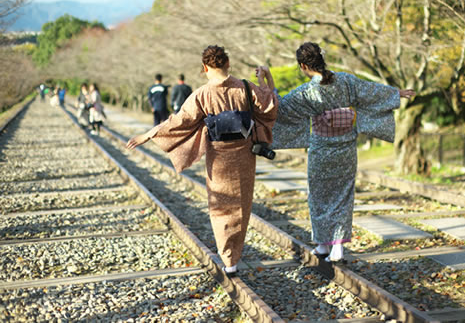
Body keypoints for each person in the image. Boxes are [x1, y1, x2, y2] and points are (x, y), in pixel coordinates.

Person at [127, 45, 278, 276]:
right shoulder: (246, 87)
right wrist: (266, 79)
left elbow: (179, 121)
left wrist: (150, 134)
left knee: (220, 207)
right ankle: (234, 254)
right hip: (245, 155)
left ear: (205, 67)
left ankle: (228, 260)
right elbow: (270, 106)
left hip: (218, 156)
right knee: (241, 206)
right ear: (228, 64)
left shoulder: (202, 94)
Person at [261, 42, 414, 263]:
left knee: (319, 195)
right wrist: (396, 93)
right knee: (343, 196)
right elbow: (370, 91)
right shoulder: (346, 80)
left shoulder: (307, 91)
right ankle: (336, 247)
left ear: (303, 66)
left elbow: (280, 108)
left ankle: (324, 244)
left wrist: (267, 81)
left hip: (322, 149)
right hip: (346, 148)